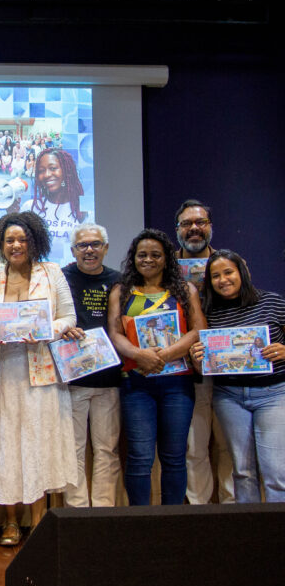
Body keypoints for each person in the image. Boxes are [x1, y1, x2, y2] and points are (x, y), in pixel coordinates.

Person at [0, 211, 77, 545]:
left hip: (41, 371)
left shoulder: (52, 272)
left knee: (37, 444)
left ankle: (39, 523)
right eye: (10, 240)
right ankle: (10, 522)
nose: (16, 245)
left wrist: (44, 330)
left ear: (34, 241)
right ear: (1, 244)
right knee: (5, 445)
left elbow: (68, 317)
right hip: (0, 374)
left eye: (22, 239)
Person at [107, 229, 205, 506]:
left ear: (166, 259)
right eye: (142, 255)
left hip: (177, 384)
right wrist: (139, 355)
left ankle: (171, 522)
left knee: (174, 456)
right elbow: (114, 333)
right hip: (136, 383)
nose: (148, 260)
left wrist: (166, 354)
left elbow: (199, 330)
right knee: (139, 455)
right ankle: (140, 521)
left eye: (155, 255)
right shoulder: (121, 290)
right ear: (133, 258)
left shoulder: (185, 290)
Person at [190, 250, 285, 502]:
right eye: (215, 276)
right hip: (228, 397)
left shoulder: (272, 302)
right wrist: (198, 358)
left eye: (228, 272)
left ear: (241, 272)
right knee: (242, 472)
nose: (223, 280)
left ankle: (276, 535)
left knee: (276, 472)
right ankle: (250, 535)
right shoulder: (208, 311)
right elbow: (203, 368)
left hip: (274, 394)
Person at [174, 198, 234, 504]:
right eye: (187, 224)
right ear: (178, 230)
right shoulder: (166, 268)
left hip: (229, 373)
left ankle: (233, 510)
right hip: (187, 372)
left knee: (229, 446)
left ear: (210, 227)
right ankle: (200, 512)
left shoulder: (230, 265)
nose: (194, 229)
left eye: (200, 223)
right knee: (194, 448)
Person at [61, 223, 122, 508]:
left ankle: (103, 512)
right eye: (82, 245)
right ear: (73, 250)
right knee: (72, 450)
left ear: (105, 248)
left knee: (106, 450)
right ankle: (77, 513)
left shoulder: (118, 280)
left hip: (108, 379)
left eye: (95, 244)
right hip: (71, 380)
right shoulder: (60, 278)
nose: (89, 250)